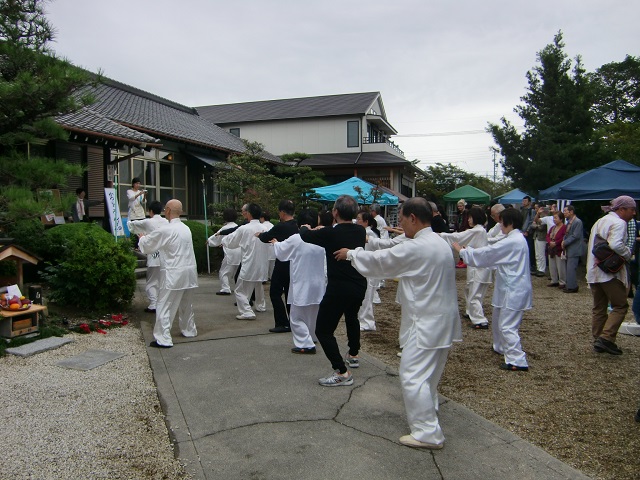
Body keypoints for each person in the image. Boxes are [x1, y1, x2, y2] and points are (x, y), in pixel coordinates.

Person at [335, 197, 461, 449]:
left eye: (402, 219)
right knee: (429, 373)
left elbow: (383, 261)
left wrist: (352, 254)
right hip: (442, 317)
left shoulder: (418, 247)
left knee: (412, 374)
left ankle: (427, 432)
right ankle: (429, 411)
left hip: (426, 320)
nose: (400, 225)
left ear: (413, 218)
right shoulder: (439, 242)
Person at [299, 195, 366, 386]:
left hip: (339, 288)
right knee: (352, 318)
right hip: (359, 285)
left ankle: (341, 372)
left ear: (335, 212)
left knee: (323, 330)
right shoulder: (360, 231)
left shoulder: (330, 234)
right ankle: (353, 354)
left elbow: (305, 236)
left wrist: (305, 226)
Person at [454, 208, 532, 372]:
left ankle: (518, 359)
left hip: (514, 288)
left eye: (501, 222)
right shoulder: (514, 238)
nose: (500, 225)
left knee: (507, 325)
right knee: (498, 319)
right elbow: (493, 252)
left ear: (509, 223)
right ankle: (502, 347)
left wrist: (463, 251)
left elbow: (489, 253)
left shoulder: (513, 241)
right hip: (509, 286)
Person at [138, 199, 198, 348]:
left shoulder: (167, 229)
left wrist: (141, 239)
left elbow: (148, 245)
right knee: (186, 304)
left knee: (165, 304)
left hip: (174, 272)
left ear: (168, 210)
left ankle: (163, 338)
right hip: (189, 271)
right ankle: (189, 329)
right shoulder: (186, 228)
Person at [586, 195, 635, 355]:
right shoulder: (619, 222)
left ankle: (598, 338)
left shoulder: (601, 221)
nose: (634, 213)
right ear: (621, 209)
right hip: (608, 272)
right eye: (632, 209)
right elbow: (615, 244)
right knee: (620, 305)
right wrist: (628, 253)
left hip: (593, 270)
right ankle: (606, 339)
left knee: (599, 307)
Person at [271, 209, 325, 353]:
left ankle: (305, 344)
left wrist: (276, 243)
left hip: (302, 281)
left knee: (296, 317)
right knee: (313, 312)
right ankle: (312, 336)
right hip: (318, 282)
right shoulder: (321, 237)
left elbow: (281, 252)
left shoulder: (296, 238)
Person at [440, 206, 491, 329]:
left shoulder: (477, 231)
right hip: (478, 266)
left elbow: (457, 237)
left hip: (478, 267)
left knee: (475, 293)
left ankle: (480, 320)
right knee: (470, 290)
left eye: (470, 217)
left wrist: (438, 235)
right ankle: (470, 312)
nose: (468, 220)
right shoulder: (480, 231)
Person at [257, 200, 299, 333]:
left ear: (282, 212)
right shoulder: (296, 225)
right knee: (290, 293)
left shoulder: (281, 226)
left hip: (282, 263)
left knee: (275, 292)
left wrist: (259, 235)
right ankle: (293, 322)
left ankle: (282, 322)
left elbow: (266, 237)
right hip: (295, 263)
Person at [223, 203, 270, 320]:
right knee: (258, 285)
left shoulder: (244, 228)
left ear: (248, 213)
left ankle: (247, 311)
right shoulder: (265, 228)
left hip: (250, 263)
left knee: (240, 290)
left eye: (244, 211)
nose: (242, 213)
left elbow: (231, 241)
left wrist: (223, 240)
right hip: (263, 263)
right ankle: (260, 305)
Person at [129, 200, 168, 313]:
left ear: (150, 211)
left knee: (151, 281)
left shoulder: (148, 222)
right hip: (165, 256)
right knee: (163, 281)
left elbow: (133, 225)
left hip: (154, 256)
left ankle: (153, 304)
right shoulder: (166, 222)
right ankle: (161, 303)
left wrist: (141, 235)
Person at [355, 211, 380, 331]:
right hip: (364, 268)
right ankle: (364, 320)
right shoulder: (362, 232)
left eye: (359, 219)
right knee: (364, 296)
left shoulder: (370, 235)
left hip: (370, 269)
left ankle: (367, 322)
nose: (357, 220)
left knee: (367, 297)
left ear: (366, 222)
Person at [207, 208, 241, 296]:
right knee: (237, 273)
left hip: (230, 253)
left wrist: (209, 241)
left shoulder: (225, 228)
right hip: (241, 252)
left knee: (224, 272)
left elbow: (216, 237)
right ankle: (239, 289)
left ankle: (225, 288)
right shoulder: (239, 227)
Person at [562, 205, 584, 293]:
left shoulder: (577, 222)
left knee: (571, 268)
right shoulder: (569, 222)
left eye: (565, 211)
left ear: (571, 212)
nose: (564, 213)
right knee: (569, 268)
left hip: (575, 248)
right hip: (569, 248)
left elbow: (575, 235)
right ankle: (570, 284)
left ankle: (572, 286)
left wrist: (565, 242)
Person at [546, 211, 567, 289]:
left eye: (556, 218)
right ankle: (554, 280)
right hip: (551, 248)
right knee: (552, 265)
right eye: (553, 218)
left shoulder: (564, 227)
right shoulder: (553, 228)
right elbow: (547, 236)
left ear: (561, 219)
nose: (554, 220)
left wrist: (556, 242)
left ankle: (562, 281)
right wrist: (550, 242)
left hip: (559, 249)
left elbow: (564, 237)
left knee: (560, 266)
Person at [530, 207, 548, 277]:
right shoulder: (538, 218)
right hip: (536, 236)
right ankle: (538, 268)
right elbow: (532, 224)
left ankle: (542, 269)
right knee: (537, 254)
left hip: (542, 237)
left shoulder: (546, 218)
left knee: (541, 254)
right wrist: (537, 225)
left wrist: (536, 226)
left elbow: (541, 228)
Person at [520, 196, 536, 271]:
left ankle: (531, 265)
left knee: (529, 248)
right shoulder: (522, 210)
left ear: (529, 202)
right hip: (521, 231)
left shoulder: (531, 210)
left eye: (525, 201)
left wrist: (527, 231)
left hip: (528, 232)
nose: (523, 202)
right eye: (523, 201)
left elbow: (531, 221)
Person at [260, 211, 276, 280]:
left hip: (264, 247)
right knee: (272, 265)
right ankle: (272, 277)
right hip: (273, 247)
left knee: (264, 264)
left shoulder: (262, 226)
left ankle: (264, 278)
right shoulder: (273, 225)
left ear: (263, 218)